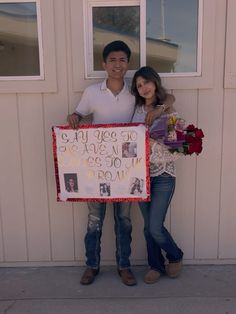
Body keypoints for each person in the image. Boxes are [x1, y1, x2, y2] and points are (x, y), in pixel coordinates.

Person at [67, 41, 175, 286]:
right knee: (94, 220)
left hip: (127, 171)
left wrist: (159, 110)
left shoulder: (135, 93)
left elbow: (167, 96)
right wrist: (74, 117)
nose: (117, 64)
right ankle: (91, 265)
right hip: (96, 170)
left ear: (128, 64)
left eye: (122, 60)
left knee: (124, 221)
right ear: (104, 64)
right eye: (112, 60)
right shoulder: (92, 92)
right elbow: (79, 114)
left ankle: (124, 266)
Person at [131, 66, 183, 284]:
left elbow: (176, 148)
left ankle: (175, 255)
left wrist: (153, 140)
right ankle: (155, 265)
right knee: (147, 226)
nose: (144, 88)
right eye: (139, 85)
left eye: (147, 82)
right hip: (140, 176)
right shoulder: (136, 111)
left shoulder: (169, 111)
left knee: (155, 226)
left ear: (155, 82)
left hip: (162, 174)